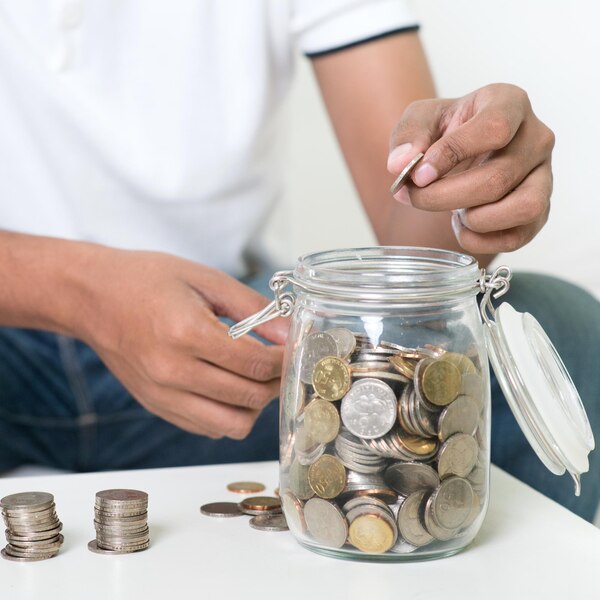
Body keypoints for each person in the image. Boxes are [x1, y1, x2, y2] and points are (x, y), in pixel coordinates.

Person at [0, 1, 598, 522]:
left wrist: (470, 182)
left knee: (565, 329)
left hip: (227, 334)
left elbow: (410, 243)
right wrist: (79, 292)